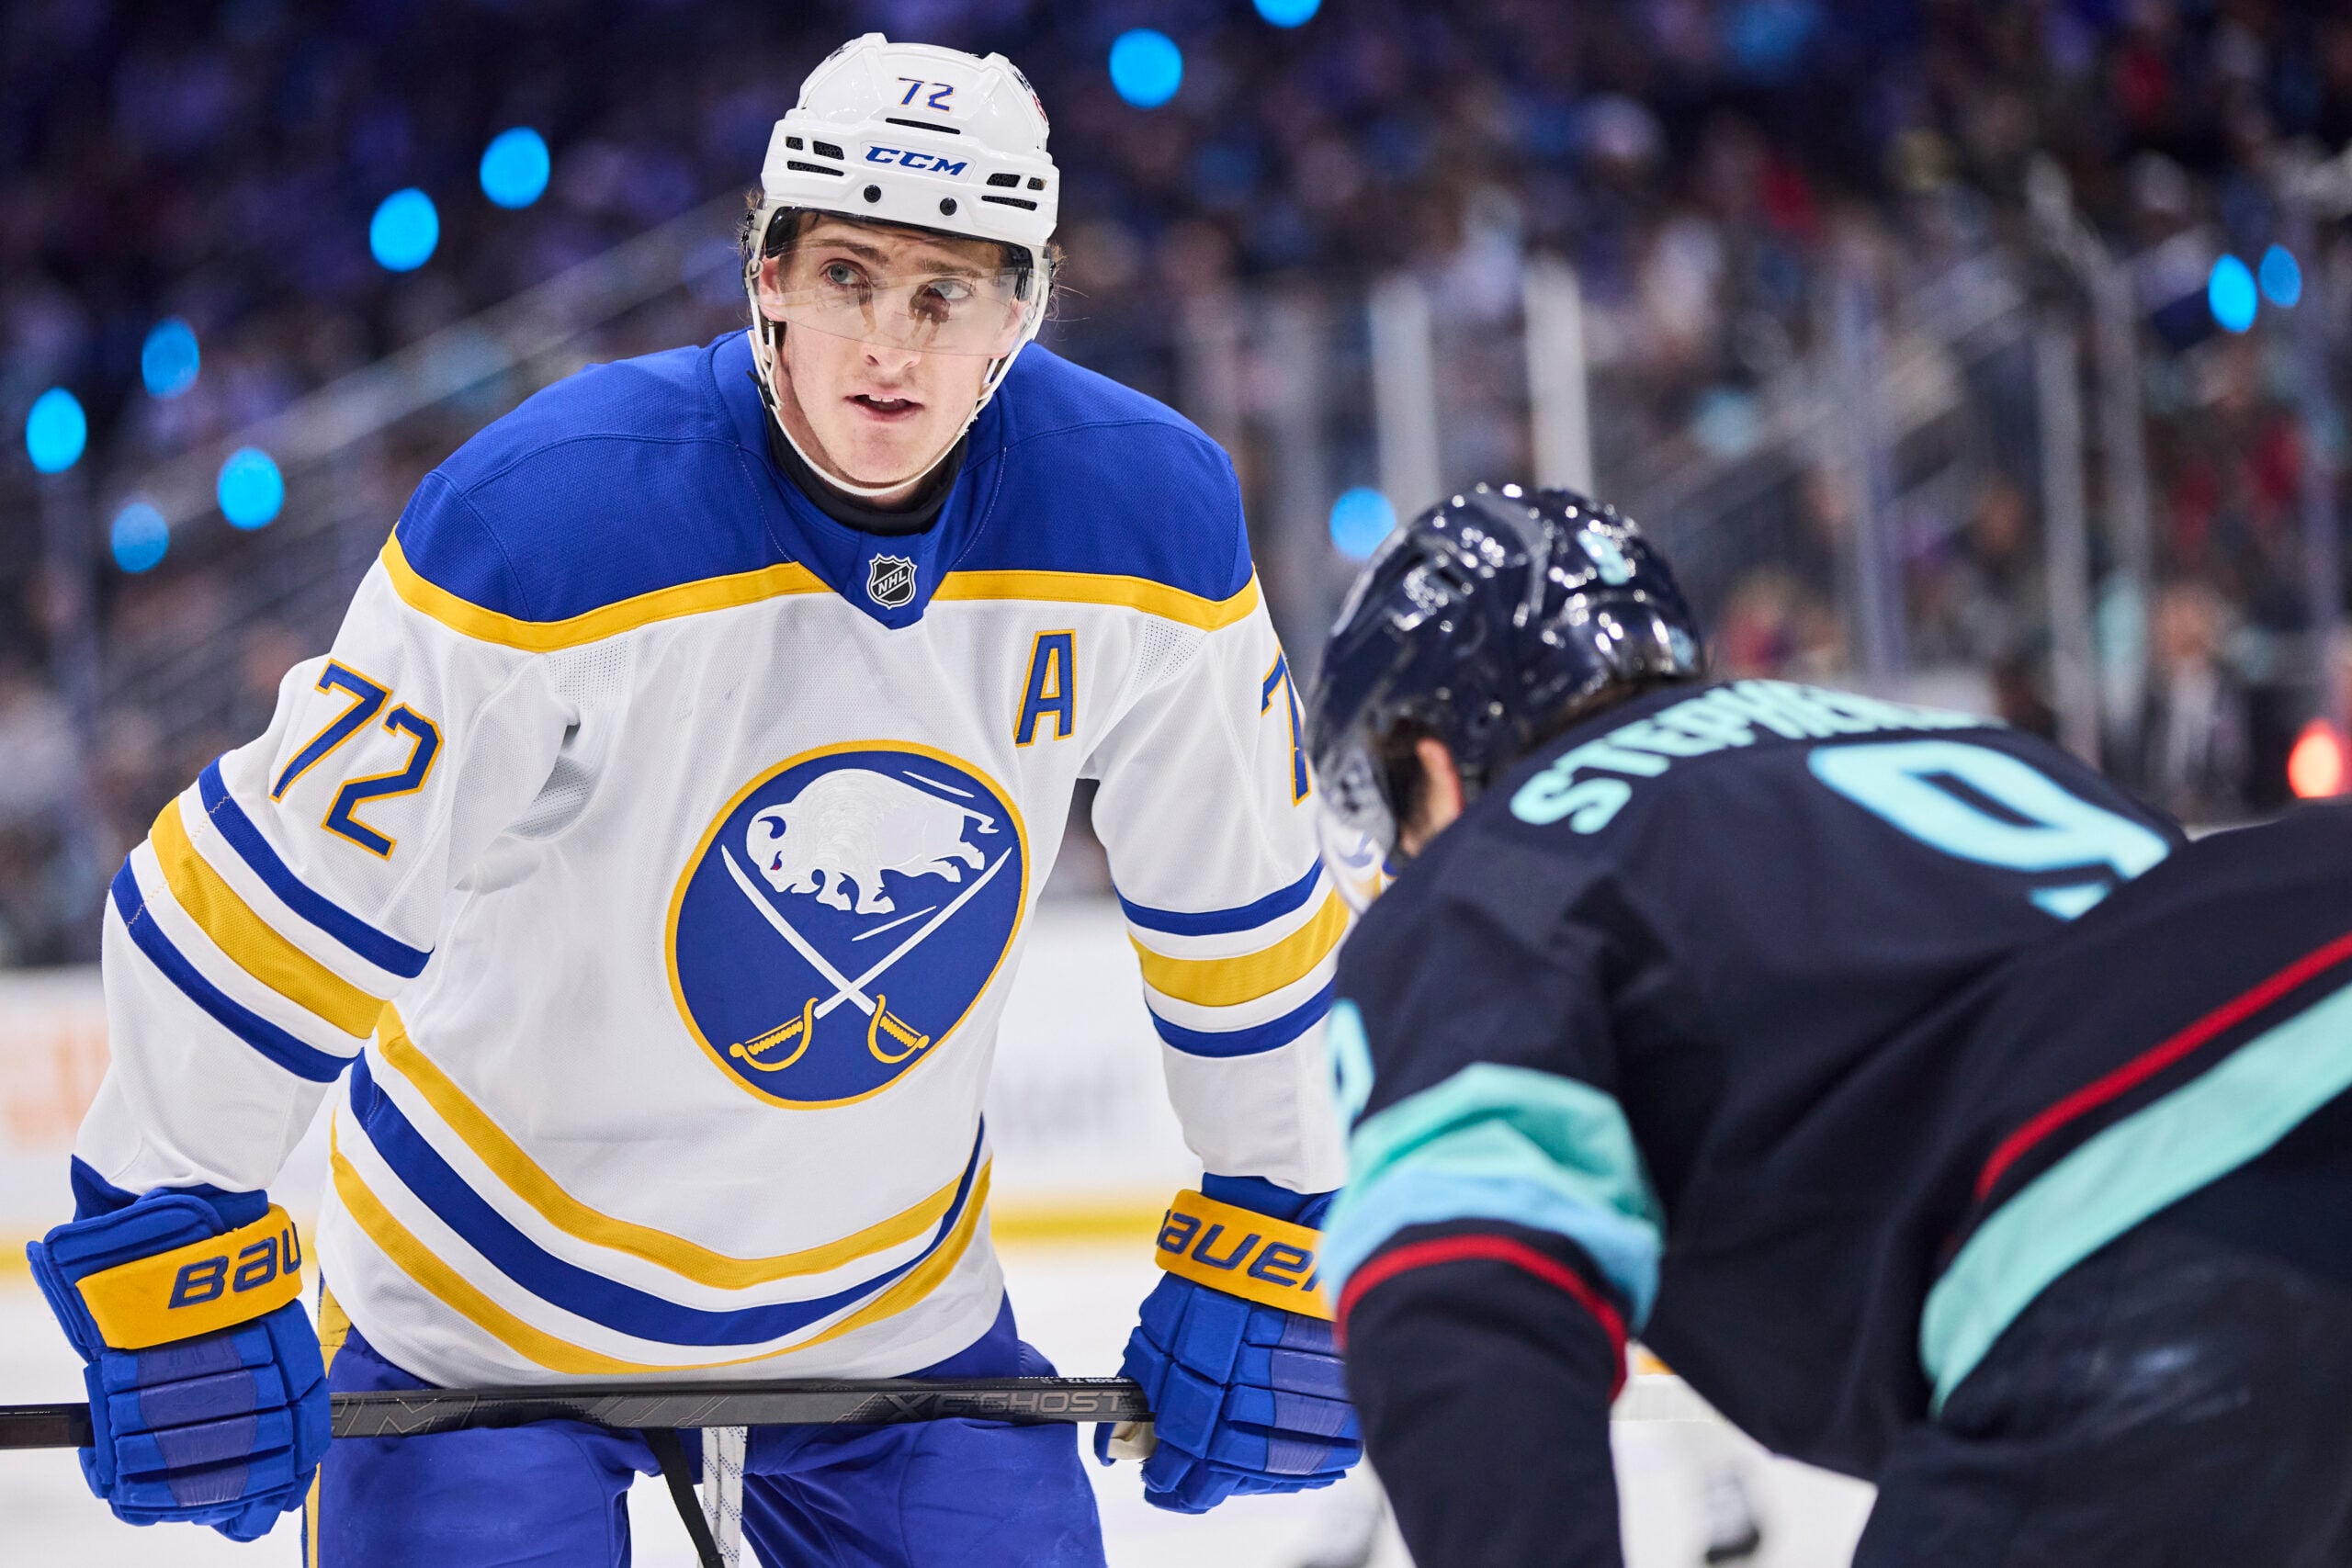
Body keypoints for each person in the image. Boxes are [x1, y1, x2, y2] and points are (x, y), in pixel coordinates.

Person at [27, 35, 1357, 1566]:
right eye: (851, 274)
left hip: (887, 1318)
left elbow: (1248, 902)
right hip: (482, 1311)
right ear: (767, 271)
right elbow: (281, 892)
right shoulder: (550, 518)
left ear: (1022, 311)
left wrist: (1286, 1201)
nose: (892, 345)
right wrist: (169, 1213)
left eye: (946, 293)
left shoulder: (1148, 518)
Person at [1304, 483, 2352, 1566]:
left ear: (1431, 756)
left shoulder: (1495, 874)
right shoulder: (1948, 742)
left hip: (2135, 1229)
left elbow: (1460, 1285)